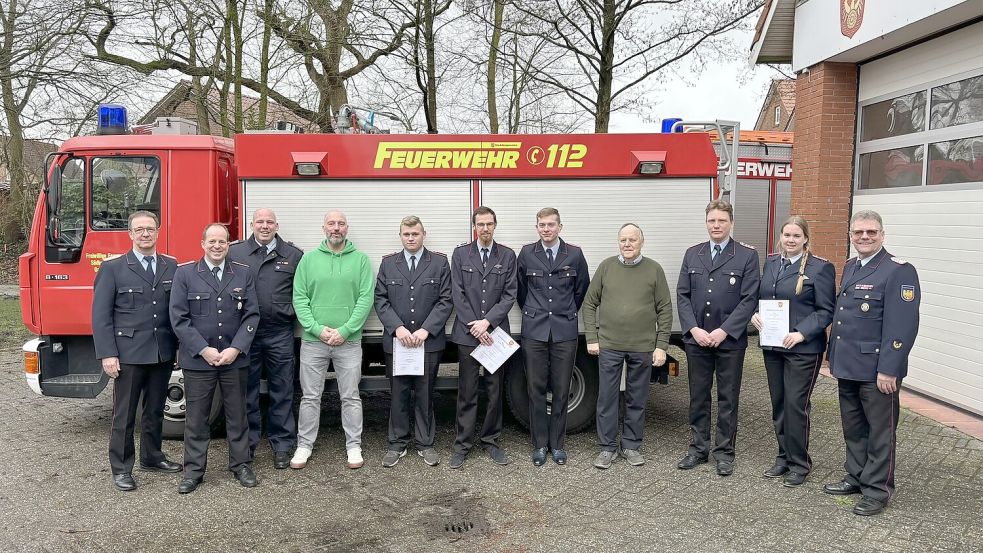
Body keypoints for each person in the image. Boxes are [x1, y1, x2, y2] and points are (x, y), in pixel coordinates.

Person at [823, 210, 920, 516]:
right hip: (848, 365)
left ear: (882, 235)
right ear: (851, 235)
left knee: (880, 431)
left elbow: (902, 325)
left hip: (877, 370)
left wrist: (889, 368)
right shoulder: (852, 265)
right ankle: (856, 476)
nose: (864, 237)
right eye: (858, 232)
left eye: (871, 232)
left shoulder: (898, 271)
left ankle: (878, 489)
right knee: (854, 427)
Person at [92, 210, 182, 491]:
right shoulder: (113, 268)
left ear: (158, 232)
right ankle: (121, 468)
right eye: (140, 229)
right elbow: (101, 316)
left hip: (161, 352)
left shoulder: (171, 265)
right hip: (128, 354)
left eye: (150, 229)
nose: (146, 234)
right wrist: (108, 354)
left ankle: (152, 457)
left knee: (155, 410)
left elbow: (175, 312)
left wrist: (177, 347)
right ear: (130, 234)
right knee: (125, 414)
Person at [169, 223, 260, 494]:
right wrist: (203, 349)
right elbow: (179, 319)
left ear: (229, 245)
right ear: (203, 244)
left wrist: (236, 348)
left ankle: (241, 465)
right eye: (212, 242)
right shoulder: (185, 274)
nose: (217, 246)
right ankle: (193, 471)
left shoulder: (242, 274)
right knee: (196, 418)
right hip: (199, 361)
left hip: (235, 360)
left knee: (237, 415)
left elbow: (252, 315)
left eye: (222, 242)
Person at [676, 199, 760, 476]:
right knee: (698, 397)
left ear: (731, 223)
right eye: (712, 221)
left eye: (721, 221)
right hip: (697, 340)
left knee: (728, 397)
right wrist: (694, 329)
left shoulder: (746, 256)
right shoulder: (693, 253)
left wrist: (723, 330)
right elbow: (683, 295)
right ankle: (698, 449)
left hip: (730, 341)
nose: (716, 225)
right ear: (706, 223)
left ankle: (724, 452)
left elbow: (749, 300)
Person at [751, 216, 835, 487]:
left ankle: (800, 463)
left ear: (805, 238)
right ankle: (783, 457)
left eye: (796, 236)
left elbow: (826, 310)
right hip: (774, 346)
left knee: (796, 405)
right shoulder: (773, 262)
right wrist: (755, 315)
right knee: (779, 403)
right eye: (787, 235)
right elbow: (765, 299)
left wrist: (802, 332)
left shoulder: (820, 268)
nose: (790, 240)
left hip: (803, 349)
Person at [583, 223, 672, 469]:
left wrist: (661, 344)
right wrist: (592, 337)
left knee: (637, 398)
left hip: (642, 346)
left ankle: (631, 445)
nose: (627, 244)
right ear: (618, 242)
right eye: (623, 240)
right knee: (607, 398)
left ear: (641, 242)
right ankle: (607, 448)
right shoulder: (606, 267)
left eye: (632, 240)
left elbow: (665, 308)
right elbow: (590, 303)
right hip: (609, 345)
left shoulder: (654, 270)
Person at [290, 211, 375, 470]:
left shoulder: (360, 260)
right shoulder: (308, 260)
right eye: (331, 224)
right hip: (314, 341)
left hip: (348, 342)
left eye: (340, 224)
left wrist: (346, 330)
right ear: (323, 227)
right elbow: (299, 298)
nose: (336, 228)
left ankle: (353, 445)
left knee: (350, 396)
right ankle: (304, 445)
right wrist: (317, 329)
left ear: (347, 228)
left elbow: (365, 298)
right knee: (309, 396)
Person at [228, 208, 304, 470]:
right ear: (251, 224)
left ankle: (282, 445)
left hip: (280, 332)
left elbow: (302, 292)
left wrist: (289, 312)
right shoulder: (235, 253)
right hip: (245, 335)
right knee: (246, 392)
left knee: (282, 390)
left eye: (269, 222)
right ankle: (247, 446)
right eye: (259, 221)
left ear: (277, 225)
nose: (264, 226)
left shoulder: (293, 255)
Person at [374, 216, 453, 468]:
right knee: (398, 394)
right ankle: (397, 443)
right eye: (406, 234)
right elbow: (381, 300)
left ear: (423, 234)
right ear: (400, 236)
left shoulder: (439, 263)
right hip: (397, 342)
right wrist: (397, 328)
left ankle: (425, 444)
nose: (411, 238)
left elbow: (446, 300)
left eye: (415, 234)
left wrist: (426, 330)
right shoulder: (388, 264)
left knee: (425, 393)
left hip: (427, 343)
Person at [517, 208, 590, 466]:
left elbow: (581, 289)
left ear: (560, 227)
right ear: (536, 227)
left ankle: (557, 445)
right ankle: (539, 445)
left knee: (561, 389)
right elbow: (520, 291)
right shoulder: (527, 253)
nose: (546, 229)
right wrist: (537, 312)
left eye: (550, 225)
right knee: (535, 390)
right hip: (535, 330)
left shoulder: (575, 254)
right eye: (541, 225)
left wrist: (565, 312)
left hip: (564, 330)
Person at [449, 206, 517, 469]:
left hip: (496, 334)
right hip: (468, 335)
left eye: (489, 224)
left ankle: (491, 441)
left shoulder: (508, 256)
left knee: (494, 389)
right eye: (481, 224)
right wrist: (475, 326)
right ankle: (462, 444)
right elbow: (457, 293)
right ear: (474, 227)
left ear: (495, 225)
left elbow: (510, 294)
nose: (485, 229)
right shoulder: (460, 254)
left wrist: (488, 323)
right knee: (466, 391)